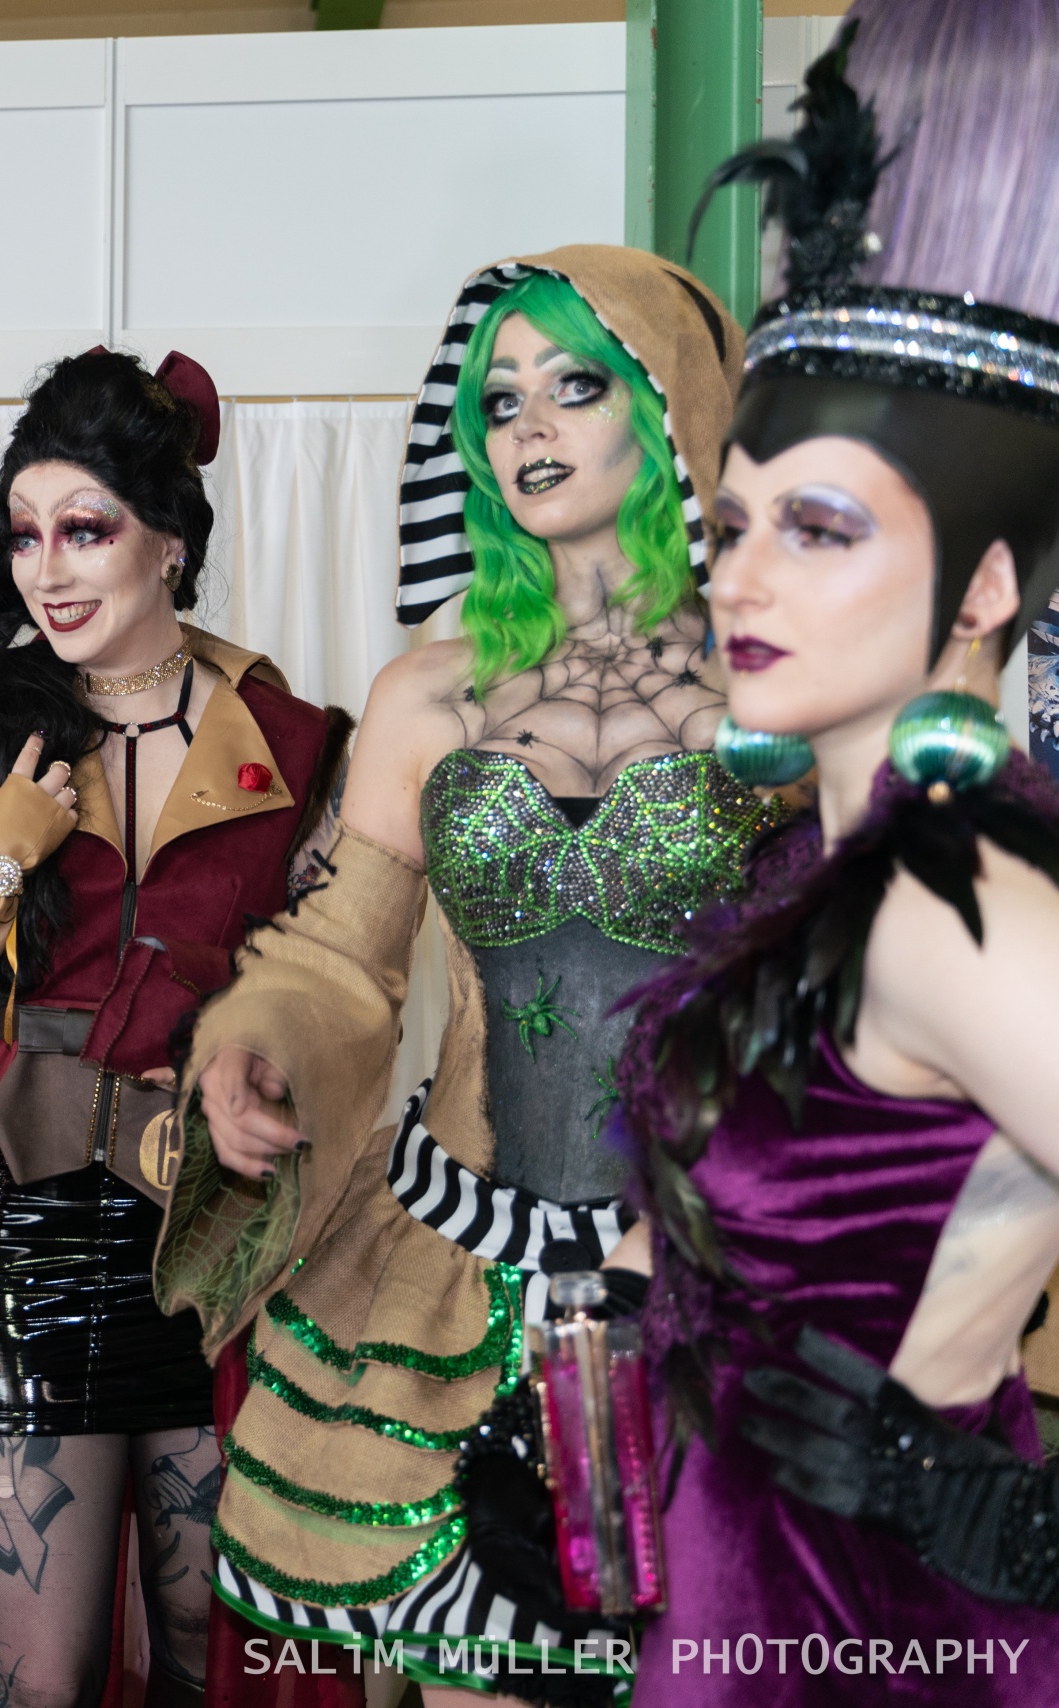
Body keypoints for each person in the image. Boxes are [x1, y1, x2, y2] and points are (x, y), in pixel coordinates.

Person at [156, 250, 779, 1706]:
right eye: (500, 400)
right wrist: (256, 1049)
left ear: (672, 411)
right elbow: (339, 954)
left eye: (575, 384)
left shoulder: (784, 691)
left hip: (707, 1280)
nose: (529, 426)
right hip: (464, 1286)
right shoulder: (425, 696)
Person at [597, 7, 1059, 1701]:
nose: (739, 578)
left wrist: (1023, 1519)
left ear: (988, 581)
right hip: (744, 1589)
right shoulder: (821, 865)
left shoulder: (954, 906)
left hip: (871, 1635)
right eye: (733, 522)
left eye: (821, 526)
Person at [0, 348, 338, 1708]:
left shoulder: (297, 741)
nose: (47, 570)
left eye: (84, 529)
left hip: (224, 1233)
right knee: (35, 1676)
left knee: (211, 1653)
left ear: (169, 540)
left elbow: (339, 1000)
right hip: (32, 1232)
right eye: (23, 534)